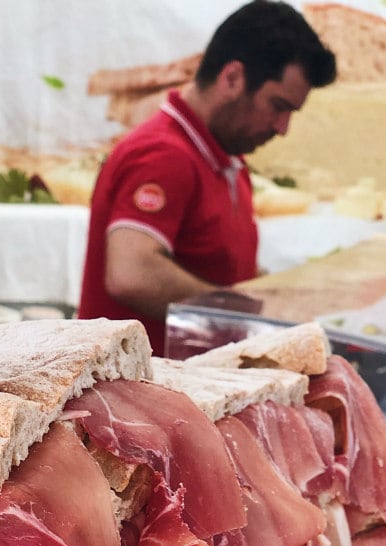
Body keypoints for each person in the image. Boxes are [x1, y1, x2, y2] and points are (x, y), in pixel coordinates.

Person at [77, 0, 336, 356]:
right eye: (278, 106)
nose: (283, 128)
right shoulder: (163, 154)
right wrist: (248, 312)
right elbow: (131, 273)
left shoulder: (225, 159)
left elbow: (216, 267)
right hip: (141, 396)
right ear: (232, 78)